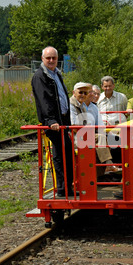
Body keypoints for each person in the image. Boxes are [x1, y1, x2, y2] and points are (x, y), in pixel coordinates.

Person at [31, 46, 75, 197]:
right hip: (53, 122)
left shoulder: (56, 74)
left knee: (67, 152)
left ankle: (68, 186)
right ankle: (63, 188)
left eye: (54, 58)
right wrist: (50, 120)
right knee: (59, 153)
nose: (51, 60)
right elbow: (44, 100)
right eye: (48, 58)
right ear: (42, 59)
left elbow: (61, 96)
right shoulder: (40, 76)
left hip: (61, 120)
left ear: (57, 59)